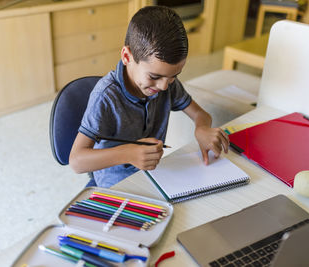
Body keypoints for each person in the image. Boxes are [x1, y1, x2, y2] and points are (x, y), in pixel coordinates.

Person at [69, 6, 229, 188]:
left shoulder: (168, 84)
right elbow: (76, 161)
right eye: (154, 77)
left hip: (155, 176)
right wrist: (128, 153)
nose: (163, 86)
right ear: (127, 56)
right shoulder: (106, 97)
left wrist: (201, 128)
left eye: (174, 76)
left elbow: (201, 115)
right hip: (115, 185)